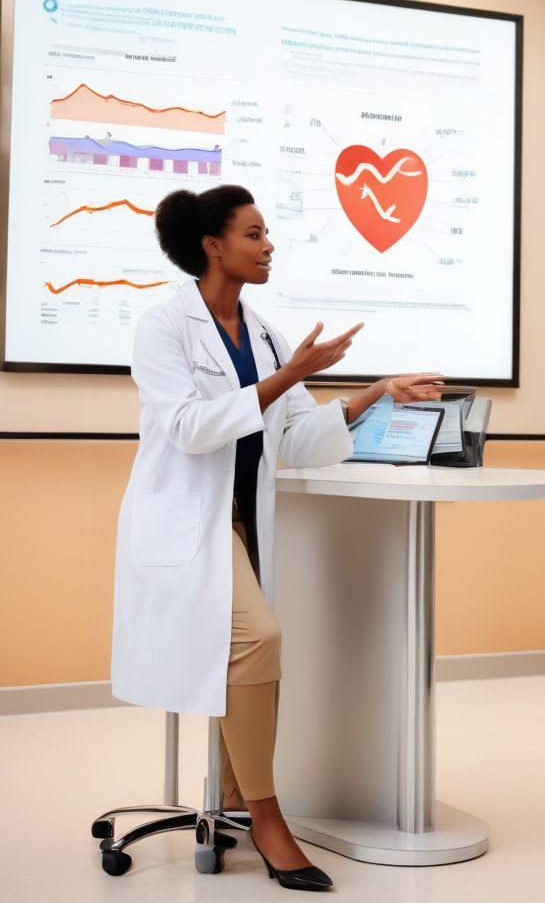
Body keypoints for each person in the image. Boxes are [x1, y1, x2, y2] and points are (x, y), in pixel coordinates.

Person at [111, 184, 443, 891]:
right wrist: (290, 376)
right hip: (188, 520)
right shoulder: (164, 327)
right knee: (258, 638)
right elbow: (188, 429)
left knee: (242, 654)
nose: (269, 247)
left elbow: (295, 439)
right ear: (213, 245)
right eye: (255, 234)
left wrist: (374, 393)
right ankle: (266, 818)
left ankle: (234, 798)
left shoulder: (263, 334)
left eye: (268, 235)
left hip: (243, 519)